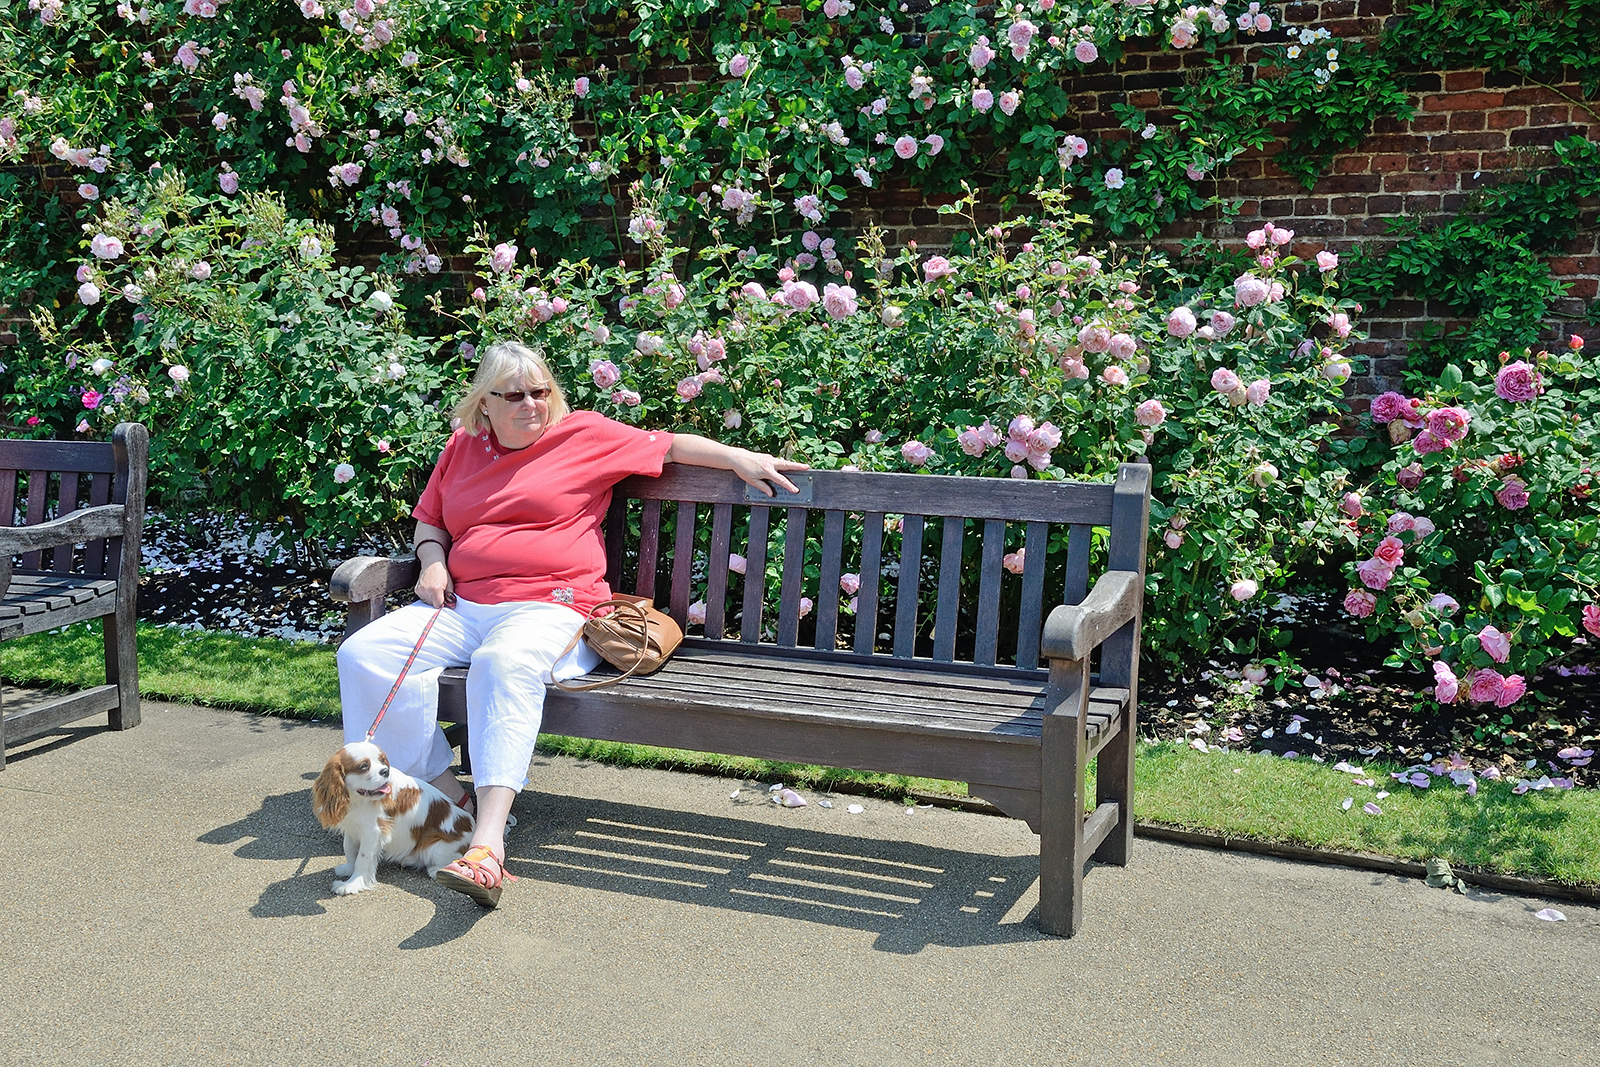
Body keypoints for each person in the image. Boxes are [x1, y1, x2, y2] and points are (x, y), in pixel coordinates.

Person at [335, 341, 805, 906]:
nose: (531, 404)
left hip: (552, 607)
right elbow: (431, 520)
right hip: (464, 606)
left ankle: (487, 846)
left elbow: (671, 444)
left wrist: (737, 457)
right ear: (484, 403)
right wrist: (432, 561)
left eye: (541, 392)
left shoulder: (583, 435)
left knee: (501, 664)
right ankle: (441, 791)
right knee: (363, 655)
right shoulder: (462, 447)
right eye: (514, 395)